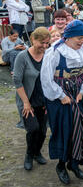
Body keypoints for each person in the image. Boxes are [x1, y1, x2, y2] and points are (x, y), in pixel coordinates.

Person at [41, 20, 83, 185]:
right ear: (68, 37)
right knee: (64, 129)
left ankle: (74, 163)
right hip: (60, 95)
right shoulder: (55, 52)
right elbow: (46, 78)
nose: (82, 41)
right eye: (79, 37)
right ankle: (61, 165)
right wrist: (60, 95)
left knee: (80, 126)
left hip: (77, 93)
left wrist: (82, 91)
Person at [13, 27, 50, 171]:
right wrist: (26, 103)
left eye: (47, 43)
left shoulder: (47, 55)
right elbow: (17, 81)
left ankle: (37, 152)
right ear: (33, 40)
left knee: (42, 130)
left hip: (43, 100)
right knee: (33, 128)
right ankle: (29, 154)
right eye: (42, 43)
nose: (45, 46)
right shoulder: (22, 57)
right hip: (27, 100)